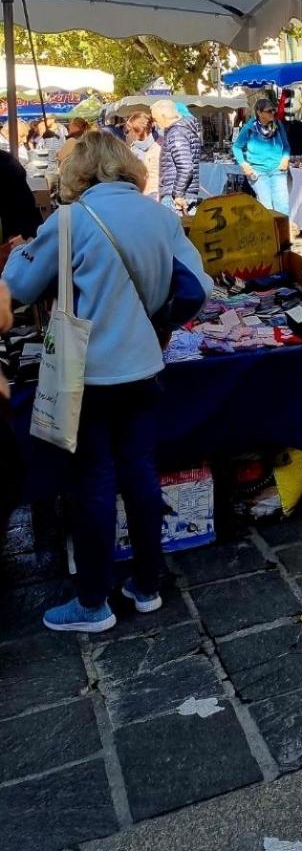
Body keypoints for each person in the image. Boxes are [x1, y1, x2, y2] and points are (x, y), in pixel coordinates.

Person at [3, 131, 212, 633]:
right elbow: (199, 289)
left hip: (89, 373)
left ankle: (93, 602)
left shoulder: (71, 220)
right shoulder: (160, 215)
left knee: (92, 481)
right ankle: (146, 585)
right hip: (145, 367)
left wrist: (17, 252)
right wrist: (158, 321)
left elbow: (20, 285)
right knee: (139, 472)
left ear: (79, 172)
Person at [232, 97, 291, 213]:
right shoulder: (249, 128)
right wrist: (243, 164)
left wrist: (285, 158)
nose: (273, 113)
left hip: (277, 170)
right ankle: (269, 230)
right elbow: (236, 147)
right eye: (269, 111)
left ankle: (282, 230)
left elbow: (286, 146)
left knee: (282, 206)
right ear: (259, 112)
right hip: (258, 172)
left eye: (273, 110)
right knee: (266, 207)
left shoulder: (277, 125)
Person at [152, 100, 202, 213]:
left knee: (172, 229)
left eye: (155, 118)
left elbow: (186, 167)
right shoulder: (183, 130)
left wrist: (178, 193)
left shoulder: (177, 133)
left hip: (176, 196)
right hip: (182, 193)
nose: (155, 123)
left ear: (163, 116)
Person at [126, 111, 161, 199]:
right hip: (139, 192)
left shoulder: (159, 146)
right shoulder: (134, 147)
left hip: (156, 192)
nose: (129, 133)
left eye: (131, 130)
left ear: (139, 130)